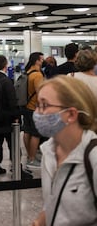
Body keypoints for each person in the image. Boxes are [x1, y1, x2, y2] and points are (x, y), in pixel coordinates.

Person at [31, 75, 97, 226]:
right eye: (38, 105)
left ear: (71, 114)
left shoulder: (93, 156)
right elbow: (54, 204)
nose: (38, 113)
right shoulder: (48, 152)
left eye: (44, 105)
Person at [22, 52, 45, 169]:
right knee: (36, 134)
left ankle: (29, 155)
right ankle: (32, 159)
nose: (43, 61)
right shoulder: (37, 75)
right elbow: (41, 93)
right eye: (41, 59)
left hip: (26, 107)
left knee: (27, 132)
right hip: (35, 108)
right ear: (37, 60)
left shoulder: (27, 72)